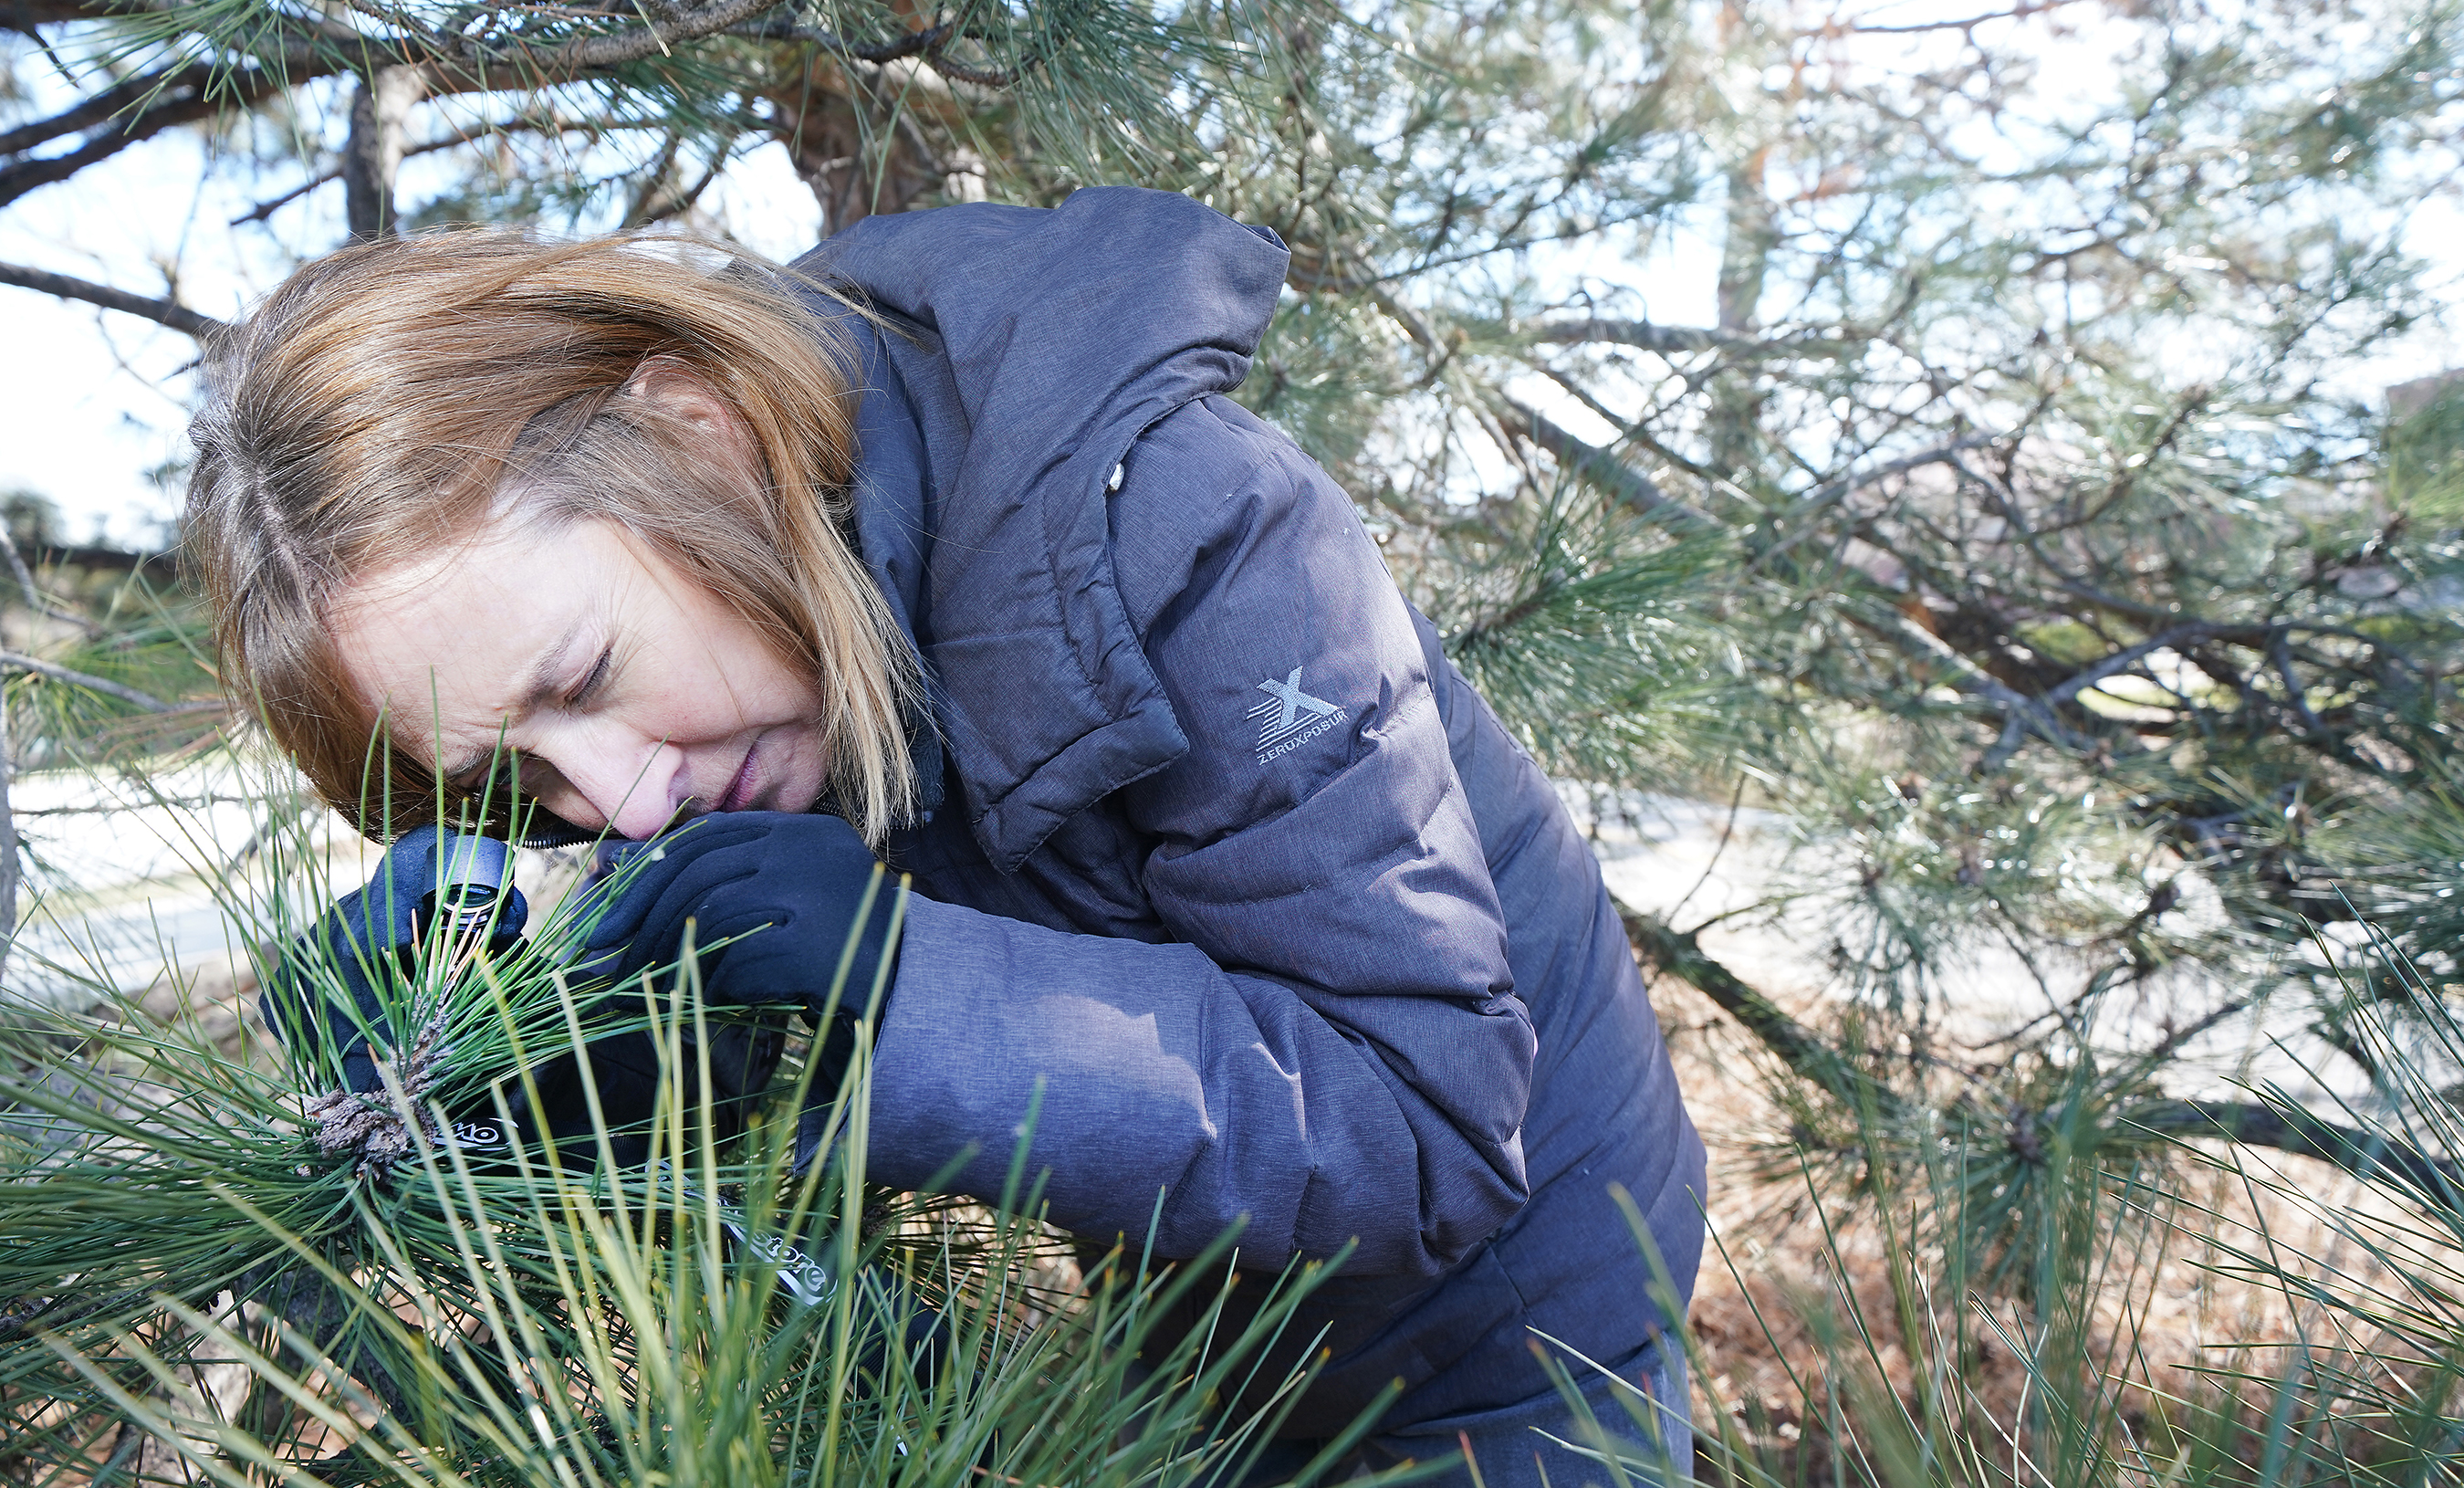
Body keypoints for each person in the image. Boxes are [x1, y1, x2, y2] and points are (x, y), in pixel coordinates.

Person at [186, 186, 1707, 1486]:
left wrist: (901, 977)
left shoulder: (1184, 526)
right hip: (1207, 1342)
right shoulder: (740, 685)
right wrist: (533, 1059)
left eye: (583, 679)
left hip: (1524, 1347)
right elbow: (789, 1071)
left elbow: (1428, 1128)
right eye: (513, 780)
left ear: (701, 438)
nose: (622, 804)